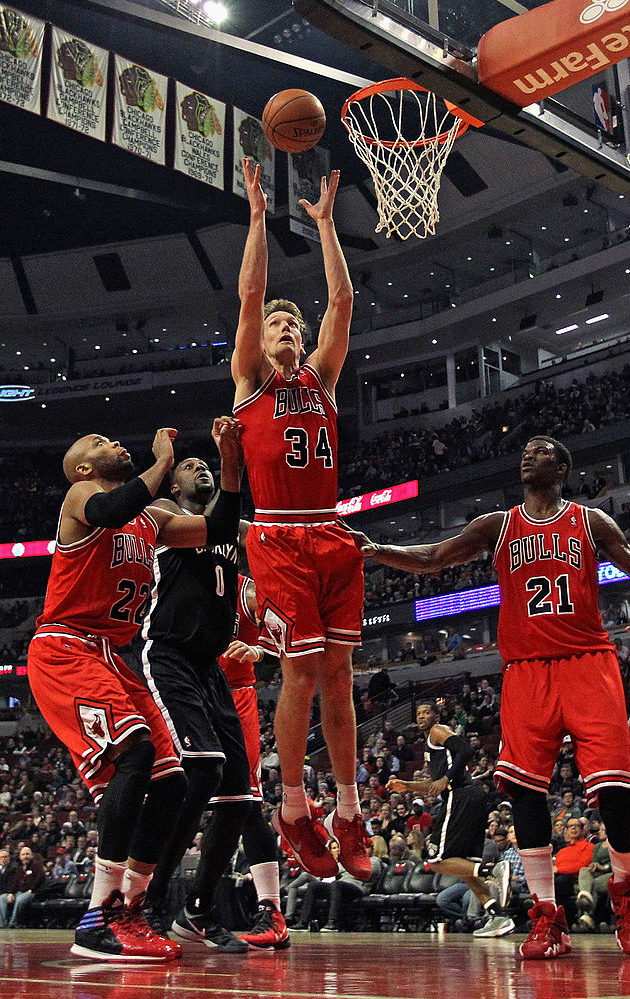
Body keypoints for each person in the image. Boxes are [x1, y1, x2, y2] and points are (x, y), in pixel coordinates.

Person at [354, 436, 630, 958]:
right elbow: (432, 557)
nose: (527, 455)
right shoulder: (498, 526)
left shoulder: (590, 522)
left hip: (588, 663)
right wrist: (376, 549)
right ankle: (546, 915)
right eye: (524, 450)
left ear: (562, 466)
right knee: (525, 795)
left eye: (540, 450)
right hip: (525, 672)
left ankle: (628, 896)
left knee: (613, 791)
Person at [27, 421, 243, 961]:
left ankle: (132, 911)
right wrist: (160, 464)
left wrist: (233, 467)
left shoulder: (154, 519)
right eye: (98, 443)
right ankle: (95, 920)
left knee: (172, 781)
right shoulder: (83, 496)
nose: (111, 443)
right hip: (66, 648)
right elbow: (110, 512)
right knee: (137, 752)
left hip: (113, 657)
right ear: (83, 466)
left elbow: (218, 530)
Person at [231, 157, 369, 882]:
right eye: (277, 322)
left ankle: (346, 809)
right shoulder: (251, 378)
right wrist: (257, 217)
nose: (287, 325)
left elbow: (341, 301)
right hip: (278, 534)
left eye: (294, 321)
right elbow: (251, 293)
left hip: (331, 530)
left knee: (340, 674)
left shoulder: (321, 376)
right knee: (302, 674)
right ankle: (290, 805)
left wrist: (323, 226)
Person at [137, 452, 253, 955]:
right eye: (189, 465)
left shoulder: (231, 528)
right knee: (201, 768)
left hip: (211, 668)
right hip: (169, 654)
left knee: (239, 796)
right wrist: (231, 462)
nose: (199, 469)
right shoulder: (167, 518)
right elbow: (218, 521)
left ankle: (199, 911)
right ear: (173, 482)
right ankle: (153, 894)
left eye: (207, 464)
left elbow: (260, 541)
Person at [388, 701, 514, 938]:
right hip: (468, 795)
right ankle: (498, 916)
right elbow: (433, 786)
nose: (422, 716)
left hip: (460, 795)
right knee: (465, 866)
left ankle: (492, 869)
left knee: (436, 860)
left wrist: (446, 778)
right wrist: (406, 785)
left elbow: (466, 750)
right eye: (419, 713)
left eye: (427, 712)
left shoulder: (438, 731)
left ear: (436, 716)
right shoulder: (429, 747)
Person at [220, 574, 291, 951]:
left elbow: (287, 627)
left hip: (233, 696)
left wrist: (259, 651)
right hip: (182, 693)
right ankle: (140, 905)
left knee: (247, 805)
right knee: (167, 795)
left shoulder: (246, 587)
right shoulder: (176, 570)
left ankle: (272, 912)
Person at [0, 845, 46, 928]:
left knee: (20, 899)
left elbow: (40, 879)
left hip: (33, 893)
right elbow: (15, 882)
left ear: (31, 855)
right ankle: (0, 924)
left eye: (27, 854)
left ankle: (13, 923)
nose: (25, 856)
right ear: (20, 857)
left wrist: (31, 890)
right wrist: (11, 893)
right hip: (19, 892)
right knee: (2, 898)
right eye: (23, 854)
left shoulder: (37, 866)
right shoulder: (20, 868)